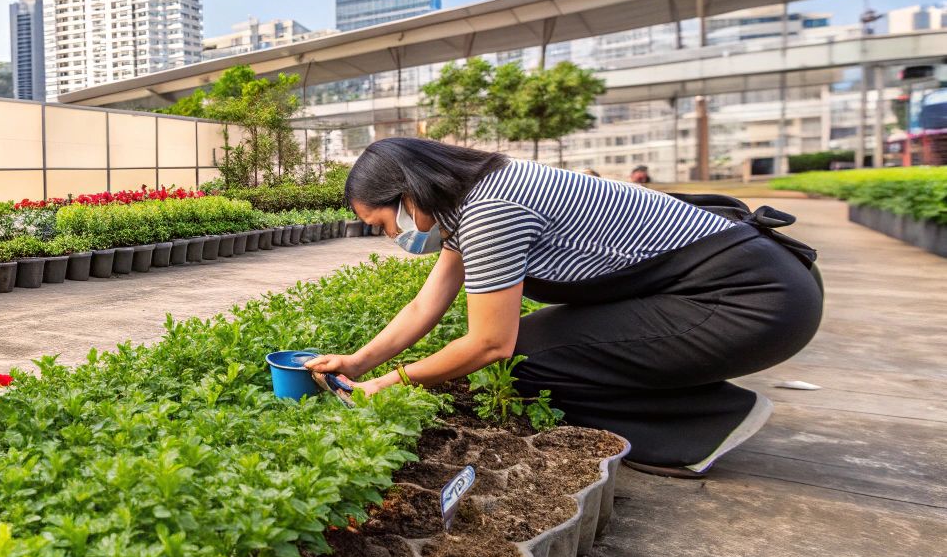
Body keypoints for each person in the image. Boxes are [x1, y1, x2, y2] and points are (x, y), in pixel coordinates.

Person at [306, 137, 823, 478]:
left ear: (409, 195)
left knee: (524, 357)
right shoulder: (470, 201)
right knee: (535, 345)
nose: (390, 237)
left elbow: (489, 343)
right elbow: (427, 304)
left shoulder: (492, 210)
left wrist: (389, 385)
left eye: (382, 224)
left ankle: (701, 426)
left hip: (751, 300)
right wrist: (357, 364)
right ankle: (696, 410)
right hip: (732, 283)